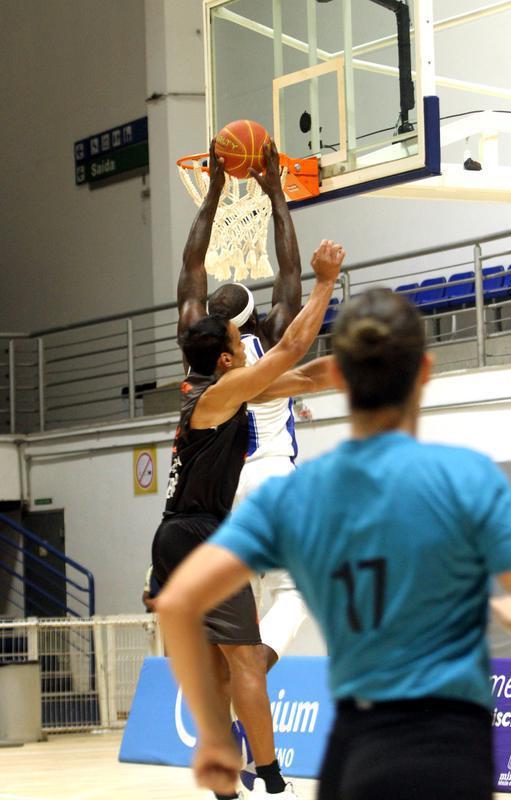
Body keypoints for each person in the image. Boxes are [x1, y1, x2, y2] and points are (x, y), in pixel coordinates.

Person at [155, 287, 511, 800]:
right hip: (452, 740)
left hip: (356, 748)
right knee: (270, 622)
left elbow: (178, 602)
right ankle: (258, 717)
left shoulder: (296, 496)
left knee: (265, 623)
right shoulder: (470, 478)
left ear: (342, 379)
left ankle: (244, 723)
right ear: (426, 373)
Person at [152, 236, 344, 800]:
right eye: (238, 338)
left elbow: (305, 377)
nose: (244, 341)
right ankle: (274, 780)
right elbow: (288, 354)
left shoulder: (211, 389)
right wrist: (327, 282)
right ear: (227, 358)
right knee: (245, 659)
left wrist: (360, 362)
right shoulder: (219, 394)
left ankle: (229, 786)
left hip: (177, 535)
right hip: (199, 535)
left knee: (219, 662)